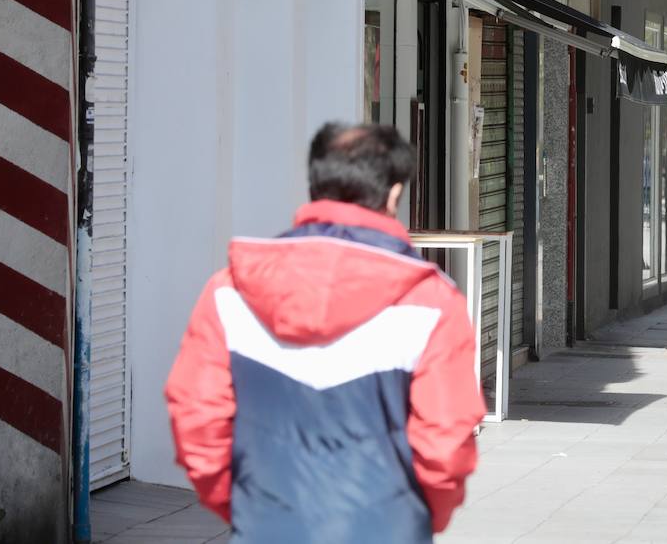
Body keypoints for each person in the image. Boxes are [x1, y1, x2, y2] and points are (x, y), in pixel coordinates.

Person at [166, 123, 485, 542]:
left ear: (316, 183)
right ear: (393, 193)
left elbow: (197, 418)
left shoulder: (230, 292)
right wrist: (419, 518)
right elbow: (446, 440)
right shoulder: (431, 302)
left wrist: (246, 506)